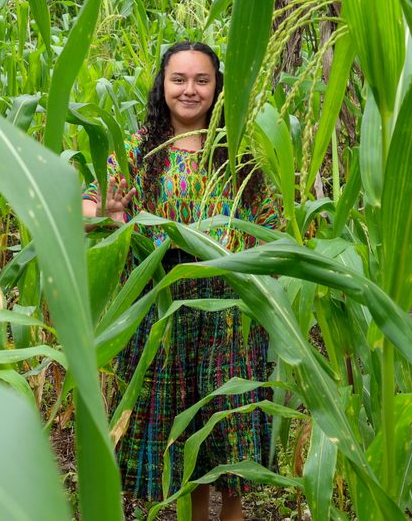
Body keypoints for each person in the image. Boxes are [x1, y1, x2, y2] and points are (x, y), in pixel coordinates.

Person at [82, 42, 278, 521]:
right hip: (163, 304)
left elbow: (272, 224)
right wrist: (105, 212)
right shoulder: (139, 148)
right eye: (179, 79)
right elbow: (88, 206)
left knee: (228, 429)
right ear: (162, 85)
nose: (190, 90)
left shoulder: (239, 151)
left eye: (202, 80)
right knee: (180, 431)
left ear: (217, 87)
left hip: (229, 307)